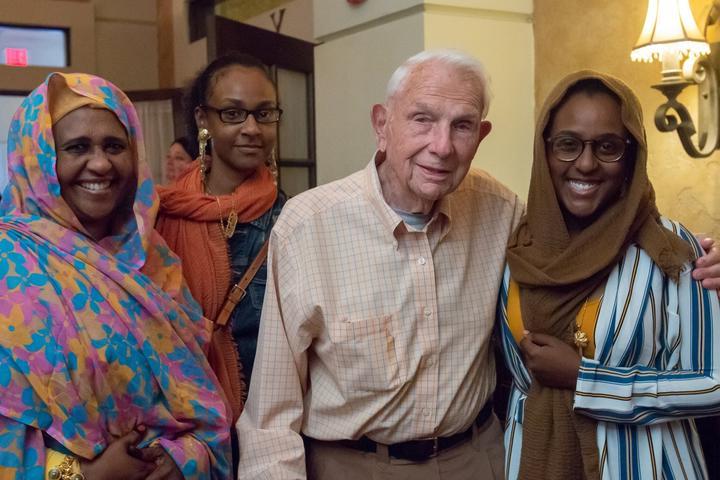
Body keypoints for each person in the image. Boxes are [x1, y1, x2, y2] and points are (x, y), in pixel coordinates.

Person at [237, 50, 720, 480]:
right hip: (353, 463)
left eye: (462, 125)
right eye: (422, 119)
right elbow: (270, 416)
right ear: (382, 123)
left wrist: (709, 260)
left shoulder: (501, 212)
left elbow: (601, 235)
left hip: (480, 459)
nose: (442, 146)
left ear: (481, 134)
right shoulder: (308, 226)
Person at [0, 72, 231, 479]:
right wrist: (87, 474)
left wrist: (186, 458)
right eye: (76, 147)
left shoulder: (154, 262)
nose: (101, 163)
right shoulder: (9, 265)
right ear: (37, 158)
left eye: (114, 146)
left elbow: (203, 409)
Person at [499, 72, 720, 479]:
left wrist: (588, 380)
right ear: (544, 151)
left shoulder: (671, 251)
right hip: (530, 460)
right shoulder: (519, 247)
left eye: (608, 147)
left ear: (631, 156)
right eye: (567, 145)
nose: (585, 163)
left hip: (643, 466)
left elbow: (713, 383)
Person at [156, 53, 286, 425]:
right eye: (233, 113)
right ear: (203, 120)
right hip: (177, 426)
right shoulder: (161, 216)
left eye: (264, 113)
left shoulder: (293, 222)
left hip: (267, 427)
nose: (251, 128)